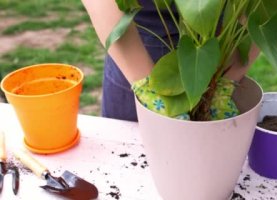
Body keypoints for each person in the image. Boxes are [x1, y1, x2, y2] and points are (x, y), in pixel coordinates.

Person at [81, 0, 260, 121]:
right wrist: (147, 89)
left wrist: (226, 81)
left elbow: (266, 9)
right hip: (135, 46)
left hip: (222, 48)